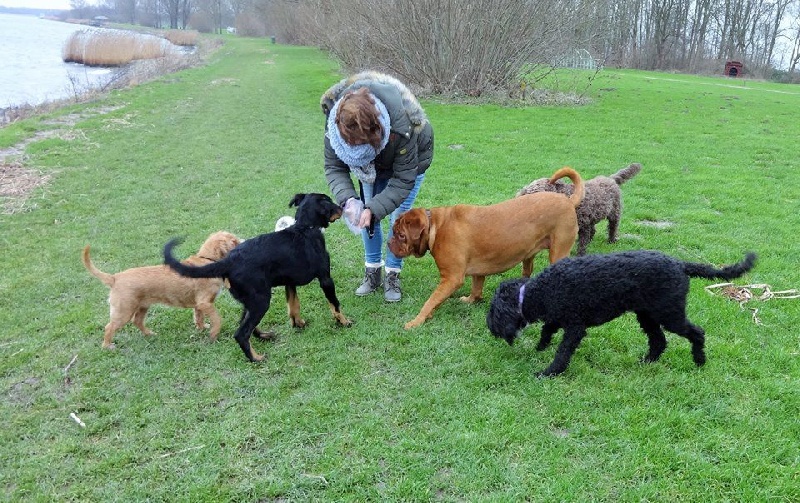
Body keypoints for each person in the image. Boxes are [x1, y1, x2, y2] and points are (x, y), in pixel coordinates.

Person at [321, 71, 434, 302]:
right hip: (372, 168)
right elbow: (334, 167)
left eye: (361, 144)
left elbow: (403, 179)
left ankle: (393, 273)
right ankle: (372, 270)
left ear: (377, 129)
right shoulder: (335, 124)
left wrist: (374, 208)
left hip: (410, 165)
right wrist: (350, 200)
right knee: (366, 217)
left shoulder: (403, 125)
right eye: (351, 145)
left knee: (398, 219)